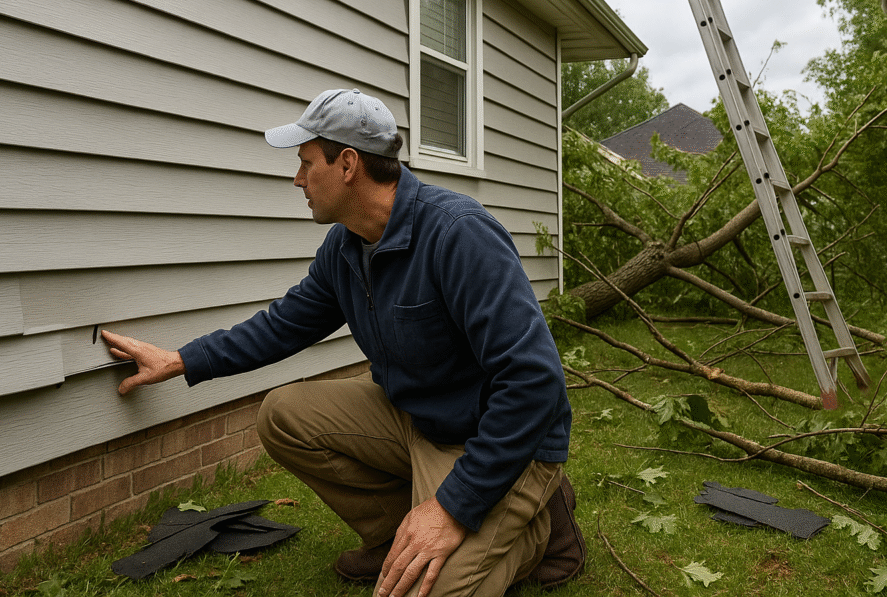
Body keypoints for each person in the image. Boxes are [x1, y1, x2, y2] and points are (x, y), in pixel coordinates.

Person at [102, 88, 585, 597]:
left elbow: (534, 381)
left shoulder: (458, 234)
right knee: (285, 415)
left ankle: (541, 529)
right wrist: (179, 360)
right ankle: (393, 535)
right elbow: (284, 324)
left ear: (348, 164)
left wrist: (452, 508)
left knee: (428, 589)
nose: (297, 179)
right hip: (418, 418)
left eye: (306, 164)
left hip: (494, 436)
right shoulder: (346, 245)